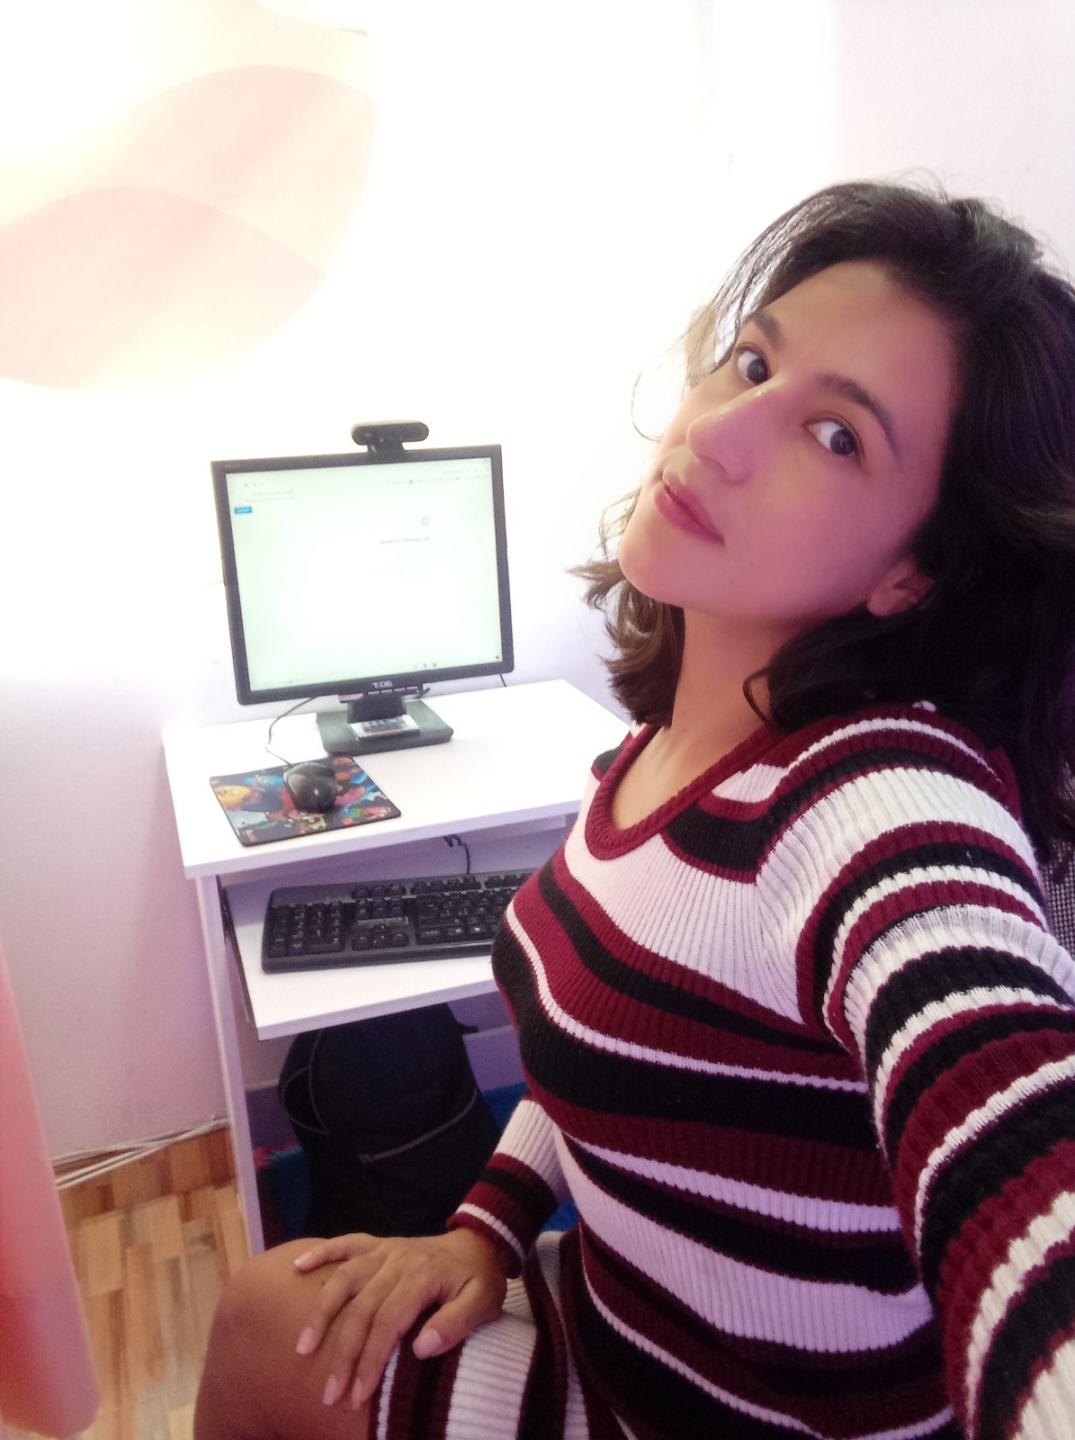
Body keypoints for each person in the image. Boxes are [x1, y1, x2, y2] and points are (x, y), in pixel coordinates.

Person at [194, 178, 1075, 1440]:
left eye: (836, 435)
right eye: (751, 362)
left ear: (912, 571)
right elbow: (598, 1045)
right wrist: (487, 1223)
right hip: (619, 1325)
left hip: (738, 1415)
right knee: (263, 1311)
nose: (718, 432)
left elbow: (1006, 1109)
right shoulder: (649, 755)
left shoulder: (875, 794)